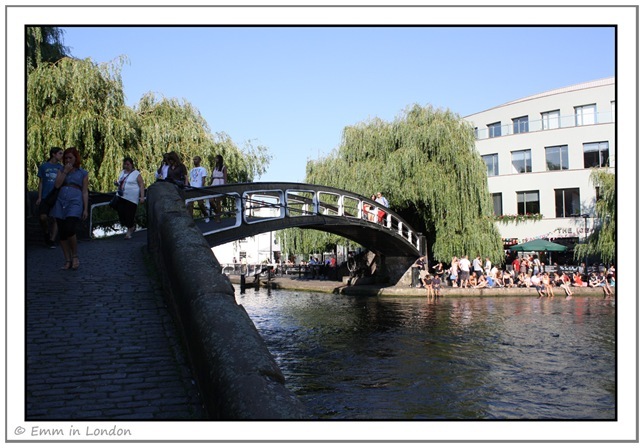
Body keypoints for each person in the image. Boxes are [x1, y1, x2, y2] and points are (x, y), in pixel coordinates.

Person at [49, 147, 89, 270]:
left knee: (70, 228)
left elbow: (85, 191)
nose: (68, 160)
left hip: (75, 201)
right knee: (62, 232)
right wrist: (65, 171)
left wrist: (85, 208)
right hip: (61, 201)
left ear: (76, 158)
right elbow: (57, 185)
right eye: (66, 158)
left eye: (70, 157)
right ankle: (67, 259)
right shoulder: (61, 170)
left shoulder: (83, 173)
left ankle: (75, 255)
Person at [35, 147, 63, 247]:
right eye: (60, 153)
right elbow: (41, 183)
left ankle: (52, 240)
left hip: (56, 196)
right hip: (45, 196)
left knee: (56, 218)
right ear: (53, 154)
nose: (62, 156)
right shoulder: (44, 167)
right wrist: (39, 197)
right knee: (43, 217)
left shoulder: (61, 168)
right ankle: (46, 232)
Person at [114, 157, 145, 240]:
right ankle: (131, 226)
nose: (126, 166)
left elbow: (141, 184)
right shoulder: (122, 173)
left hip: (131, 198)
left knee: (129, 215)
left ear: (131, 164)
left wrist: (142, 196)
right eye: (125, 164)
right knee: (121, 213)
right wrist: (117, 183)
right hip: (121, 196)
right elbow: (121, 182)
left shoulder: (136, 173)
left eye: (128, 164)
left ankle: (129, 230)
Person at [188, 156, 210, 222]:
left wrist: (202, 188)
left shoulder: (202, 169)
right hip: (192, 188)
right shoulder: (191, 170)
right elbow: (191, 179)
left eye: (196, 159)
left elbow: (203, 180)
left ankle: (206, 215)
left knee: (200, 204)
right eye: (194, 159)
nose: (194, 160)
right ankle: (191, 220)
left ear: (200, 160)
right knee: (190, 204)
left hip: (198, 188)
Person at [209, 154, 228, 220]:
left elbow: (225, 177)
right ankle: (217, 212)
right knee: (211, 200)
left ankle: (218, 216)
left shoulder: (223, 167)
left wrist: (224, 186)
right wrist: (210, 184)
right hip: (214, 183)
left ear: (219, 159)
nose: (215, 160)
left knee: (218, 201)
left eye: (216, 158)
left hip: (220, 182)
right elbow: (212, 177)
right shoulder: (214, 168)